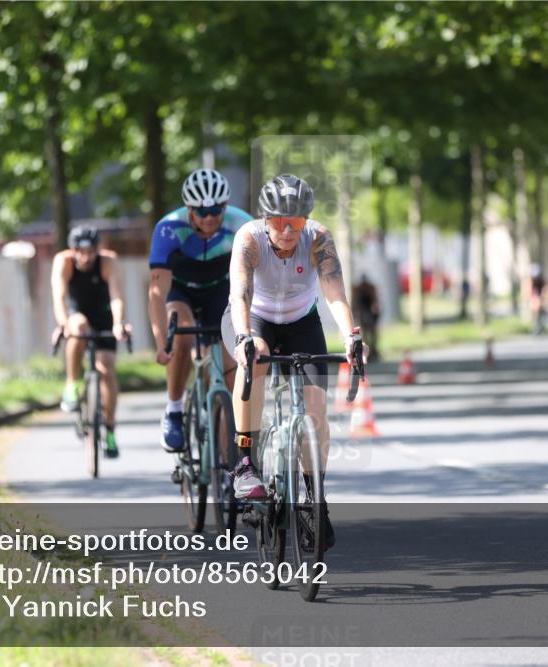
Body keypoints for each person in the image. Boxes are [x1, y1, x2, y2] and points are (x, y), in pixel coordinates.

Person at [222, 174, 367, 550]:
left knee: (316, 409)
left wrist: (351, 336)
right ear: (265, 219)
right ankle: (244, 463)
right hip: (257, 318)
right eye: (278, 222)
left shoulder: (318, 238)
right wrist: (243, 338)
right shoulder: (250, 239)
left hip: (303, 321)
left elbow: (333, 291)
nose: (287, 231)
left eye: (296, 222)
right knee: (256, 360)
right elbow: (240, 293)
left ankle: (314, 497)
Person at [148, 168, 253, 452]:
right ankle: (174, 410)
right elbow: (157, 293)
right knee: (181, 336)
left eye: (216, 210)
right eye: (202, 211)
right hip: (180, 290)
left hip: (220, 291)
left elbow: (259, 280)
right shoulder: (168, 228)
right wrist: (161, 343)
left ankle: (230, 463)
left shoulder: (242, 224)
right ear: (189, 209)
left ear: (225, 206)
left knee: (232, 362)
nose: (209, 218)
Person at [51, 226, 131, 458]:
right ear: (72, 249)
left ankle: (110, 428)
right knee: (78, 327)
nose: (85, 257)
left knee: (106, 369)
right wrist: (63, 323)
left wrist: (118, 323)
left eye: (91, 251)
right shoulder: (63, 262)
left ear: (98, 249)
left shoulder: (108, 262)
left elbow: (116, 296)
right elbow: (58, 296)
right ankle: (72, 382)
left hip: (104, 316)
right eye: (80, 251)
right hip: (77, 315)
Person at [352, 273, 380, 362]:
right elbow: (355, 303)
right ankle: (369, 351)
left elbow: (375, 302)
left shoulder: (369, 288)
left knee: (371, 333)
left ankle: (373, 350)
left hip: (368, 313)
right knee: (366, 333)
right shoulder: (359, 289)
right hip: (363, 313)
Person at [526, 263, 548, 333]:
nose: (535, 278)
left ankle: (545, 321)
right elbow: (528, 292)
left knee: (544, 305)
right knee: (534, 306)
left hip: (541, 295)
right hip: (534, 296)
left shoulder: (542, 280)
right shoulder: (529, 281)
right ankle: (534, 324)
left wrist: (544, 297)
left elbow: (546, 290)